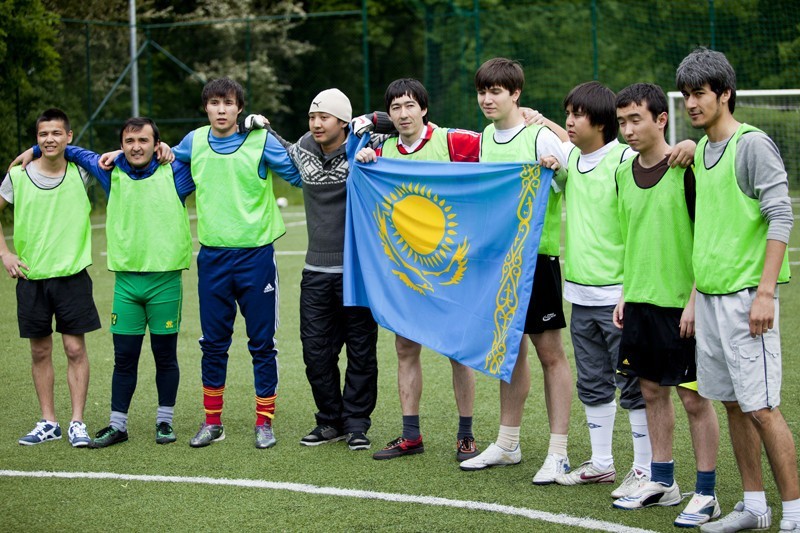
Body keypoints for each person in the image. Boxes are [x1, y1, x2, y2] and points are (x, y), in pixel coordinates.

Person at [675, 47, 800, 533]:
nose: (691, 102)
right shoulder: (703, 150)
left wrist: (766, 292)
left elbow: (781, 215)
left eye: (700, 93)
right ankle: (754, 506)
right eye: (686, 94)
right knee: (731, 404)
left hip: (748, 300)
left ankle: (793, 512)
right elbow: (710, 231)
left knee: (763, 409)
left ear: (725, 93)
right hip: (708, 299)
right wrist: (693, 298)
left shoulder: (753, 145)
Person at [15, 118, 192, 447]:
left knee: (164, 355)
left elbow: (209, 154)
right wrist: (38, 148)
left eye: (144, 140)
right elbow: (74, 151)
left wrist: (176, 151)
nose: (136, 146)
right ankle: (117, 425)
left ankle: (164, 422)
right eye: (129, 141)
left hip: (165, 281)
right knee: (124, 357)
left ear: (156, 144)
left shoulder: (177, 173)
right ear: (121, 145)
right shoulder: (110, 171)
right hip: (126, 282)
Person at [457, 58, 574, 487]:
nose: (488, 99)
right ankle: (508, 443)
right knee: (510, 352)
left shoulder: (541, 135)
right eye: (482, 91)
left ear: (516, 94)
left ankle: (558, 453)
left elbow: (574, 181)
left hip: (537, 260)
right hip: (499, 262)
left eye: (497, 91)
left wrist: (556, 167)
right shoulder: (486, 137)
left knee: (550, 354)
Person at [609, 83, 721, 527]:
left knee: (694, 400)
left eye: (636, 119)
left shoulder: (688, 168)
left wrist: (695, 298)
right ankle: (663, 481)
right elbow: (632, 238)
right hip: (639, 302)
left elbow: (707, 238)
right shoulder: (622, 173)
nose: (628, 129)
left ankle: (707, 492)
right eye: (622, 122)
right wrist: (625, 292)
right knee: (652, 391)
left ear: (661, 119)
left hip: (684, 306)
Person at [356, 78, 483, 462]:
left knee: (457, 352)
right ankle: (411, 434)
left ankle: (466, 434)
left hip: (452, 268)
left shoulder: (453, 141)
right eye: (395, 108)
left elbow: (501, 148)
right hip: (406, 269)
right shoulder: (382, 150)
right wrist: (363, 156)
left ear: (424, 108)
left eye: (410, 105)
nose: (403, 114)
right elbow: (345, 144)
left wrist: (536, 130)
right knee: (405, 347)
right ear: (388, 115)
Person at [172, 77, 302, 449]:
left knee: (262, 343)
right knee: (213, 343)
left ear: (240, 108)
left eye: (228, 103)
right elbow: (158, 158)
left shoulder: (259, 140)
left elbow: (297, 173)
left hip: (256, 257)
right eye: (214, 103)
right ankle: (213, 422)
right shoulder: (194, 141)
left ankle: (264, 421)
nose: (221, 110)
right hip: (212, 258)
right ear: (206, 108)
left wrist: (273, 133)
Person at [251, 89, 384, 451]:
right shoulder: (304, 149)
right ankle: (330, 420)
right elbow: (280, 145)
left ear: (343, 122)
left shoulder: (365, 143)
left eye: (324, 117)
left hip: (357, 271)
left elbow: (407, 123)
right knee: (315, 351)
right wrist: (259, 127)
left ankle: (356, 423)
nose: (316, 123)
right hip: (315, 272)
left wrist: (370, 120)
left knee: (360, 350)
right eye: (312, 117)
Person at [548, 81, 652, 498]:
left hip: (619, 299)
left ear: (601, 121)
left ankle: (646, 470)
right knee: (593, 382)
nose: (569, 122)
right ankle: (602, 464)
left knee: (634, 384)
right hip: (580, 296)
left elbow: (642, 224)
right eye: (567, 114)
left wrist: (630, 288)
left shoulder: (625, 160)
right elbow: (556, 177)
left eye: (577, 115)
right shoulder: (572, 158)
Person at [0, 108, 100, 447]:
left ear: (69, 137)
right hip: (31, 279)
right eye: (43, 135)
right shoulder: (17, 177)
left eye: (57, 133)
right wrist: (5, 253)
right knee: (40, 352)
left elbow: (105, 162)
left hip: (72, 277)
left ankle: (76, 422)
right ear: (37, 137)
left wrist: (34, 149)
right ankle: (48, 422)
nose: (49, 139)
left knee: (74, 349)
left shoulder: (81, 173)